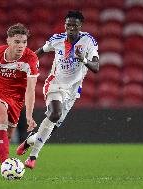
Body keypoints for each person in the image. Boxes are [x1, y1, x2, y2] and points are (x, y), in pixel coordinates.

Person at [16, 10, 100, 169]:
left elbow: (96, 67)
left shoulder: (88, 41)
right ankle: (33, 157)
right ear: (65, 25)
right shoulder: (57, 39)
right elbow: (40, 52)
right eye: (68, 25)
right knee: (55, 113)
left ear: (80, 26)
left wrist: (83, 59)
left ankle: (30, 140)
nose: (71, 28)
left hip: (73, 91)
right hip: (55, 84)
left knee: (51, 128)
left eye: (75, 25)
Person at [0, 23, 39, 164]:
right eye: (17, 42)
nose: (21, 45)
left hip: (16, 98)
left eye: (24, 42)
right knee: (1, 119)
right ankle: (5, 164)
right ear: (8, 41)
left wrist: (29, 116)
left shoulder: (30, 59)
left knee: (7, 136)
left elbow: (31, 90)